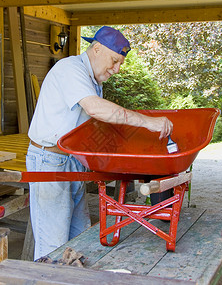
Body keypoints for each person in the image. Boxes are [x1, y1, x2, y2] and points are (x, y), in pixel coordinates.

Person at [26, 26, 173, 260]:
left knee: (81, 238)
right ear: (96, 49)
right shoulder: (70, 69)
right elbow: (96, 109)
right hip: (50, 161)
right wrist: (148, 122)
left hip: (72, 161)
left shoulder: (93, 80)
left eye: (120, 64)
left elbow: (94, 126)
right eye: (114, 61)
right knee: (53, 246)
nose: (116, 69)